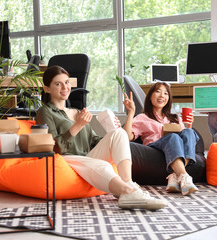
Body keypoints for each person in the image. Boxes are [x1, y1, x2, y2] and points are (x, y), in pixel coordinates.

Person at [36, 65, 167, 210]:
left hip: (87, 156)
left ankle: (128, 184)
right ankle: (128, 192)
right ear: (47, 88)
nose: (64, 87)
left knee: (120, 133)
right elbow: (54, 147)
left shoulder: (78, 111)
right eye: (57, 84)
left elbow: (93, 141)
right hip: (67, 159)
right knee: (104, 166)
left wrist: (112, 135)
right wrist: (78, 125)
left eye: (67, 82)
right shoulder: (45, 111)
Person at [123, 82, 200, 196]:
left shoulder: (175, 118)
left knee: (189, 132)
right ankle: (184, 176)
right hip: (155, 152)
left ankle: (175, 175)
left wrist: (188, 125)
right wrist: (130, 113)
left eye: (165, 93)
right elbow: (126, 137)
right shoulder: (142, 117)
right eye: (158, 91)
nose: (162, 96)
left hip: (175, 151)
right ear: (150, 96)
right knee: (172, 136)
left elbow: (186, 142)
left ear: (168, 99)